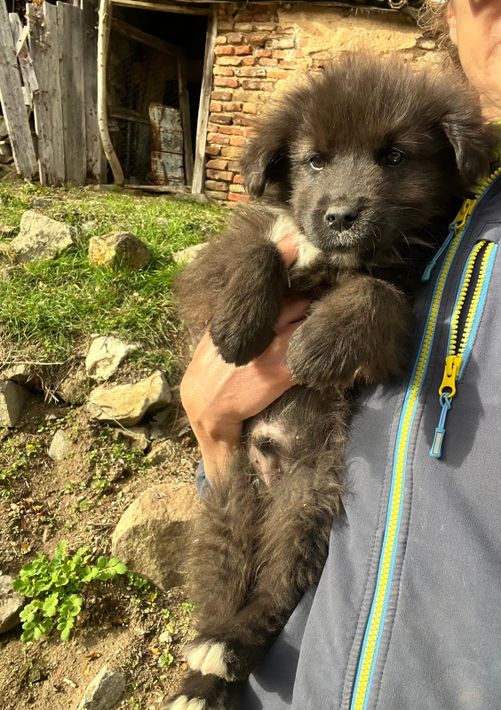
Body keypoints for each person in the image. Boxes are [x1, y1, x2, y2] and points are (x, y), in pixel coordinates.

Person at [180, 1, 501, 707]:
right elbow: (221, 330)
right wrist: (213, 427)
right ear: (448, 15)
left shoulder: (423, 255)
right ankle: (214, 659)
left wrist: (366, 308)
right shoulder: (292, 233)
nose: (343, 198)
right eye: (316, 161)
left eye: (392, 159)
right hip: (306, 663)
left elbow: (381, 336)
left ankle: (232, 646)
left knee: (303, 512)